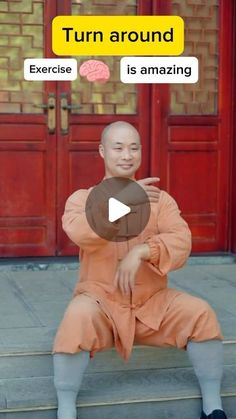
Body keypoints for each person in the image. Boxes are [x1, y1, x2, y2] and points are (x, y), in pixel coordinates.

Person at [53, 121, 227, 419]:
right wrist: (123, 203)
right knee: (76, 317)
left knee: (200, 313)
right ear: (102, 151)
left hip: (152, 304)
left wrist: (144, 250)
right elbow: (82, 232)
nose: (126, 155)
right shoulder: (81, 199)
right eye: (118, 147)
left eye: (134, 147)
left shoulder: (161, 201)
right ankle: (66, 407)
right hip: (101, 302)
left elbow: (181, 240)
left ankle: (213, 406)